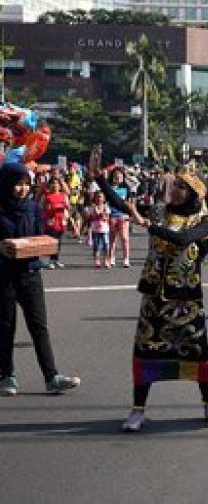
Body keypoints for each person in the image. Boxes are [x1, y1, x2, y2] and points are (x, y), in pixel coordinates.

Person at [92, 149, 208, 431]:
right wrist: (99, 179)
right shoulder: (158, 211)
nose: (174, 190)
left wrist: (152, 227)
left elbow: (182, 239)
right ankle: (138, 410)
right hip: (154, 297)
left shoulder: (205, 222)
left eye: (181, 187)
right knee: (145, 353)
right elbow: (122, 204)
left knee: (197, 353)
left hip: (186, 300)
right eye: (174, 185)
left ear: (194, 193)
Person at [0, 163, 82, 397]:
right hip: (4, 275)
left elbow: (40, 234)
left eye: (26, 184)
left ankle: (52, 376)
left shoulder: (33, 207)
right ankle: (6, 375)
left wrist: (43, 245)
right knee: (5, 327)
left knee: (39, 327)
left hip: (30, 273)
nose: (22, 189)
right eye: (18, 184)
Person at [106, 167, 134, 268]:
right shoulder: (109, 188)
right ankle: (111, 258)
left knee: (124, 238)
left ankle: (126, 259)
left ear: (123, 177)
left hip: (123, 216)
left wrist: (131, 215)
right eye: (116, 175)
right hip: (112, 215)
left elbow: (130, 203)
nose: (118, 177)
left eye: (120, 175)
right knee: (112, 239)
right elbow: (105, 201)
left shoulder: (126, 188)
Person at [40, 177, 69, 269]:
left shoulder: (63, 195)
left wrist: (65, 206)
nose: (55, 185)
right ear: (50, 185)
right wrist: (57, 207)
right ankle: (51, 261)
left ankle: (56, 260)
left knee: (59, 242)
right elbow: (47, 210)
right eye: (53, 183)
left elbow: (67, 206)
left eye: (57, 183)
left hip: (61, 220)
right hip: (52, 220)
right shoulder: (48, 196)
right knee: (53, 241)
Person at [87, 190, 111, 268]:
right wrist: (95, 215)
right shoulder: (92, 207)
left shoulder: (106, 207)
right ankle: (97, 260)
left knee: (106, 244)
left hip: (104, 229)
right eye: (97, 197)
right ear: (94, 198)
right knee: (96, 246)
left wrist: (103, 215)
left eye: (100, 197)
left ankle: (106, 260)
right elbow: (90, 219)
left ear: (103, 198)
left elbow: (107, 218)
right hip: (95, 229)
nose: (99, 199)